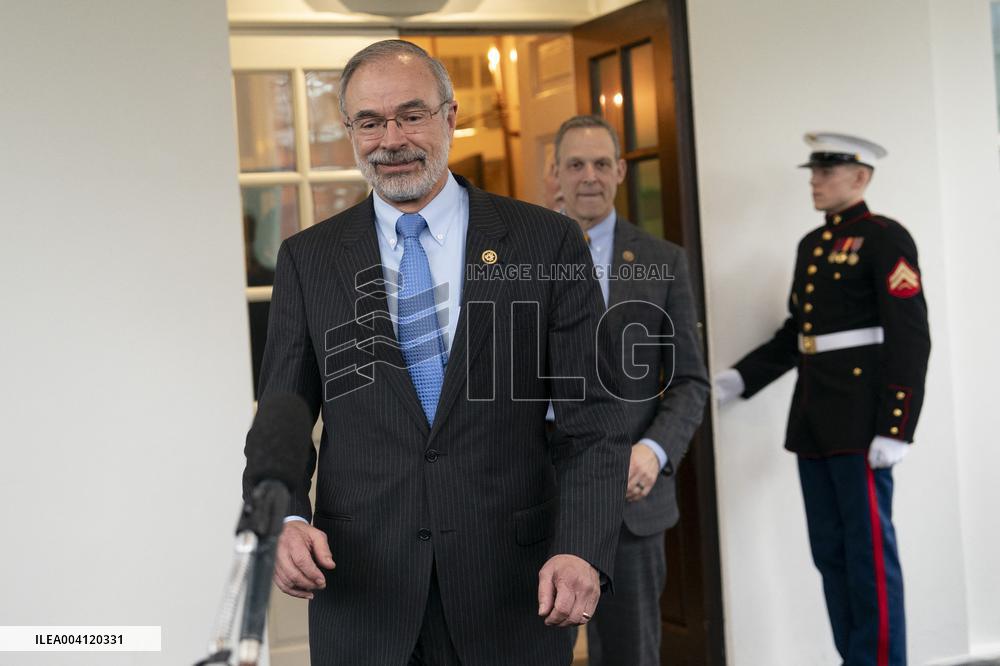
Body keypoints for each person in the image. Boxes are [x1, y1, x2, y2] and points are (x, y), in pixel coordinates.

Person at [243, 40, 630, 666]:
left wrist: (582, 548)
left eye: (411, 114)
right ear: (349, 131)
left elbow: (595, 424)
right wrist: (286, 518)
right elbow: (282, 414)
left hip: (511, 593)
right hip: (363, 594)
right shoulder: (307, 260)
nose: (390, 138)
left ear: (449, 117)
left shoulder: (545, 242)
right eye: (369, 121)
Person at [713, 132, 930, 666]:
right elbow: (799, 335)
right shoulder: (812, 245)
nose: (814, 180)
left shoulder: (886, 239)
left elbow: (909, 335)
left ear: (860, 177)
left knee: (870, 557)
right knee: (830, 554)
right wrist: (736, 380)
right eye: (813, 171)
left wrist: (896, 426)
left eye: (826, 171)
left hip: (861, 424)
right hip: (814, 420)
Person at [550, 115, 709, 666]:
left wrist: (655, 450)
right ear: (555, 174)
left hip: (630, 500)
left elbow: (689, 382)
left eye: (600, 163)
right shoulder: (514, 260)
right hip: (534, 495)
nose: (588, 176)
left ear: (620, 170)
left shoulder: (664, 262)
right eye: (575, 164)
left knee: (630, 654)